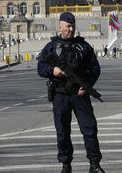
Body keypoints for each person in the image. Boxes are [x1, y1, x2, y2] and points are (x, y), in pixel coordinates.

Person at [37, 12, 105, 173]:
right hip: (60, 94)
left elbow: (95, 69)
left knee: (90, 128)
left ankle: (94, 164)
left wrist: (87, 85)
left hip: (80, 94)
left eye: (73, 26)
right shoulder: (51, 47)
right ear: (60, 27)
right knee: (62, 130)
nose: (71, 29)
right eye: (68, 26)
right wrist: (53, 70)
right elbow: (40, 67)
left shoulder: (83, 46)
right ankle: (66, 165)